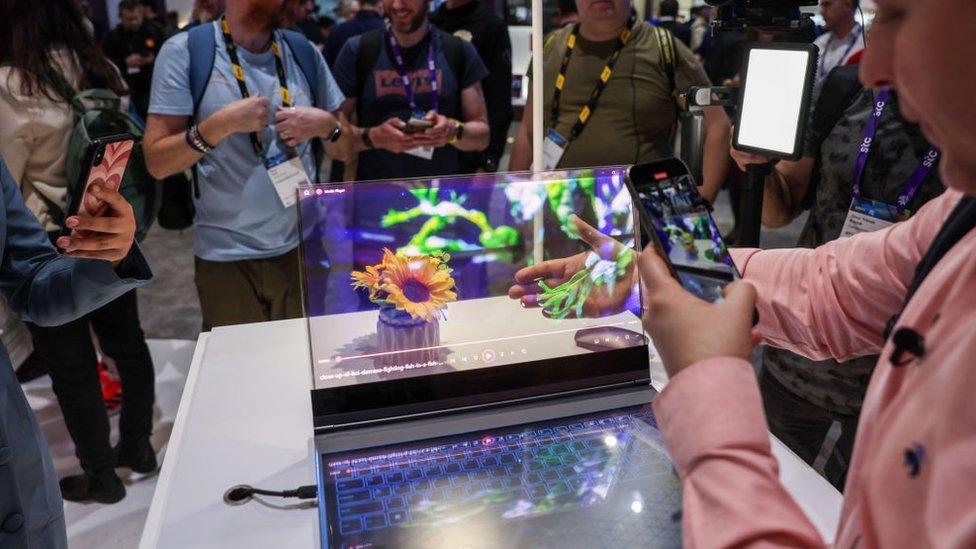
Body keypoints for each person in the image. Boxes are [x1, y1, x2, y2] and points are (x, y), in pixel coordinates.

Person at [584, 0, 976, 544]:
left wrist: (710, 388)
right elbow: (833, 288)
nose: (873, 69)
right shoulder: (961, 215)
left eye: (896, 16)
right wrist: (670, 273)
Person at [729, 63, 945, 489]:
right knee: (773, 488)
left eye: (899, 16)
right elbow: (782, 216)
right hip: (798, 355)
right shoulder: (849, 86)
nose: (877, 51)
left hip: (896, 380)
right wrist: (760, 169)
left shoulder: (957, 159)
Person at [0, 0, 158, 504]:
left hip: (49, 235)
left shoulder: (12, 83)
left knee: (72, 368)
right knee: (127, 344)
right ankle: (138, 445)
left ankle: (101, 476)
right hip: (107, 223)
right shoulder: (100, 65)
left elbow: (10, 174)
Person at [144, 0, 348, 331]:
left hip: (301, 248)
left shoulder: (303, 51)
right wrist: (218, 126)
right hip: (226, 257)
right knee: (241, 373)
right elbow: (156, 162)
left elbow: (345, 147)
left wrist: (327, 125)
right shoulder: (186, 51)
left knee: (298, 370)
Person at [509, 0, 731, 203]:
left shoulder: (662, 47)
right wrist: (514, 198)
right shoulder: (550, 46)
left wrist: (700, 204)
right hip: (557, 211)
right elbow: (529, 131)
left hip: (640, 219)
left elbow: (717, 126)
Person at [330, 0, 491, 181]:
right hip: (376, 197)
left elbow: (482, 136)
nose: (398, 5)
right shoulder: (358, 50)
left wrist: (451, 131)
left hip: (441, 199)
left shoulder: (458, 51)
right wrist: (373, 137)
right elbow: (332, 139)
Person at [431, 0, 513, 173]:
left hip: (469, 156)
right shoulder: (429, 23)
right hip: (427, 151)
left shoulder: (491, 27)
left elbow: (499, 101)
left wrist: (488, 161)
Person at [103, 0, 168, 119]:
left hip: (155, 84)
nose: (134, 22)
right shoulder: (113, 37)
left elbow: (169, 54)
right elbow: (106, 63)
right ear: (120, 17)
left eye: (136, 18)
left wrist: (154, 59)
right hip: (127, 87)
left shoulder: (155, 30)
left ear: (142, 14)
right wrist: (125, 62)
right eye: (129, 19)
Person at [813, 0, 863, 93]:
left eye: (827, 4)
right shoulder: (820, 42)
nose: (821, 11)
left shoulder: (866, 43)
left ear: (847, 5)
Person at [324, 0, 384, 68]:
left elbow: (325, 66)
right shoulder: (388, 31)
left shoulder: (338, 30)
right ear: (381, 4)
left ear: (359, 3)